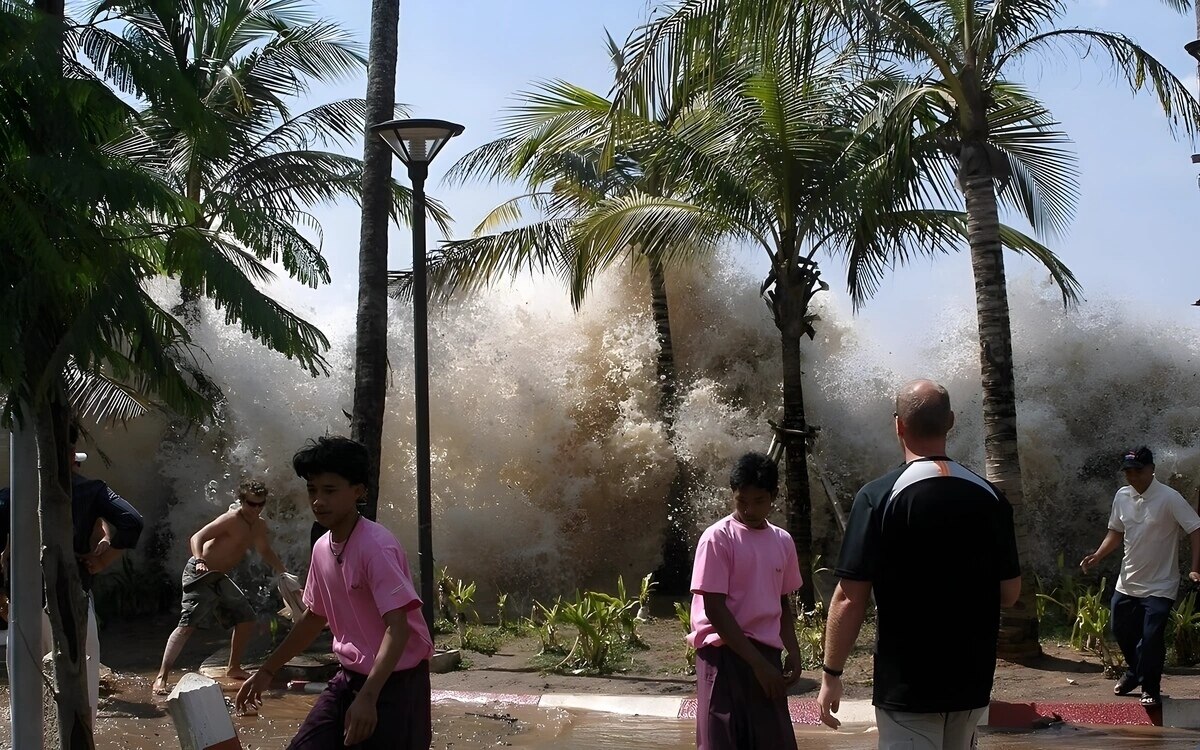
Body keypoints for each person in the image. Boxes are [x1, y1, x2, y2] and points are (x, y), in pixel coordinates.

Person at [818, 379, 1021, 749]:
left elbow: (850, 598)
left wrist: (832, 673)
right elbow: (1010, 593)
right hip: (970, 684)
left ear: (898, 425)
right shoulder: (990, 496)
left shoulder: (878, 496)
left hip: (907, 686)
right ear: (951, 422)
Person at [236, 436, 434, 749]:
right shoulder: (321, 548)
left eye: (330, 490)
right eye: (312, 490)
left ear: (358, 492)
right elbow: (314, 617)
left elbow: (398, 628)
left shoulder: (376, 547)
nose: (318, 501)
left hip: (396, 684)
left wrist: (370, 696)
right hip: (348, 679)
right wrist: (266, 671)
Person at [0, 425, 145, 726]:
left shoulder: (10, 495)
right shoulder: (91, 491)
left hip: (23, 600)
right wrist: (104, 561)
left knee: (26, 684)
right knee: (83, 681)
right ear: (69, 457)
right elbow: (132, 521)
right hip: (72, 597)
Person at [687, 451, 803, 750]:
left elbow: (782, 601)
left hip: (765, 654)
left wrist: (792, 649)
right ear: (733, 495)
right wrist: (757, 665)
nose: (749, 509)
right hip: (723, 655)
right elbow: (714, 608)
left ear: (774, 496)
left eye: (759, 501)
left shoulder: (782, 541)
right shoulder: (717, 538)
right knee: (721, 741)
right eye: (741, 501)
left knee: (773, 741)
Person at [1080, 445, 1200, 708]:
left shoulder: (1170, 498)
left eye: (1137, 471)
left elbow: (1195, 528)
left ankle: (1151, 688)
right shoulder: (1122, 496)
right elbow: (1115, 531)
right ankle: (1135, 673)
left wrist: (1195, 567)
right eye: (1128, 472)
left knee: (1152, 637)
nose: (1132, 477)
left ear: (1152, 469)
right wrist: (1098, 555)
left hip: (1161, 584)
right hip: (1128, 581)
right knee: (1120, 630)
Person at [152, 478, 289, 695]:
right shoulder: (231, 519)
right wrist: (199, 560)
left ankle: (233, 667)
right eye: (251, 504)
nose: (256, 509)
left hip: (219, 577)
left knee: (246, 618)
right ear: (242, 501)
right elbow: (198, 537)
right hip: (200, 574)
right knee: (187, 625)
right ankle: (161, 676)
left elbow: (264, 550)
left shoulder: (259, 526)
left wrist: (283, 571)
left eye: (260, 504)